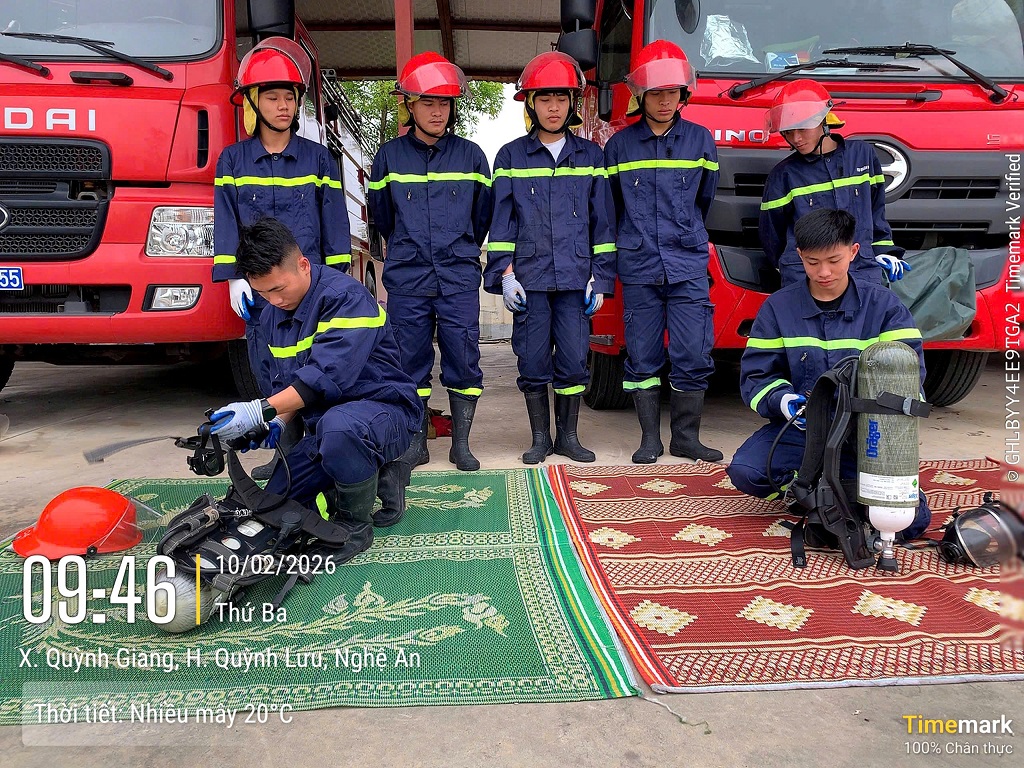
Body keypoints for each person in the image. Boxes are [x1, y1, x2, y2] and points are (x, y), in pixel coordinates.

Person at [727, 209, 931, 538]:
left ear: (853, 251)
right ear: (800, 256)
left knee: (911, 522)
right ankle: (815, 492)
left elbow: (910, 377)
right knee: (747, 472)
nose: (824, 272)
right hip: (803, 429)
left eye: (834, 260)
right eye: (812, 262)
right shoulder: (778, 308)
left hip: (867, 436)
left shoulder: (885, 307)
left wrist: (882, 428)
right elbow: (756, 376)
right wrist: (783, 402)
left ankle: (831, 494)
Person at [208, 218, 421, 530]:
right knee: (274, 506)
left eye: (278, 288)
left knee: (340, 430)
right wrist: (275, 422)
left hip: (384, 411)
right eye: (263, 293)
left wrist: (258, 410)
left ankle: (354, 528)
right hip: (328, 427)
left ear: (303, 265)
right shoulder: (271, 316)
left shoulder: (346, 297)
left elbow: (323, 379)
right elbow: (290, 383)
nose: (274, 300)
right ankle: (363, 474)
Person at [213, 37, 351, 479]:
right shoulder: (233, 160)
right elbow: (226, 219)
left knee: (312, 365)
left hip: (308, 287)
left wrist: (336, 278)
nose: (283, 106)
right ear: (253, 102)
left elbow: (334, 223)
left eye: (290, 97)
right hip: (260, 291)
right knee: (269, 365)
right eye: (272, 97)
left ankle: (316, 449)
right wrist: (233, 276)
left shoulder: (319, 159)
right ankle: (284, 454)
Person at [485, 52, 617, 464]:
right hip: (530, 279)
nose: (554, 107)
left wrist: (600, 277)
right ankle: (540, 438)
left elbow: (602, 223)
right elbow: (501, 221)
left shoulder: (592, 156)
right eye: (544, 99)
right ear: (531, 103)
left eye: (561, 98)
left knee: (575, 360)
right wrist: (505, 273)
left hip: (577, 279)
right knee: (532, 360)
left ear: (573, 103)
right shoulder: (510, 157)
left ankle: (569, 438)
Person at [367, 51, 493, 472]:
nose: (437, 112)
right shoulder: (388, 157)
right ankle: (415, 444)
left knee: (464, 355)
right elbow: (383, 217)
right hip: (408, 276)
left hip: (457, 276)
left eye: (444, 103)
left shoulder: (472, 156)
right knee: (409, 360)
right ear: (409, 105)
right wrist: (408, 247)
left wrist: (459, 249)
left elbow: (482, 217)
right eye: (427, 103)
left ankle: (462, 446)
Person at [604, 40, 723, 465]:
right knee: (642, 356)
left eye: (672, 92)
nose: (665, 100)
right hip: (639, 266)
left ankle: (686, 439)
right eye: (656, 92)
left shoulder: (701, 140)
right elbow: (611, 207)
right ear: (641, 95)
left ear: (683, 93)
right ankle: (650, 440)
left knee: (693, 352)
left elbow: (704, 200)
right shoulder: (619, 146)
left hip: (687, 264)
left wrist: (682, 234)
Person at [759, 79, 910, 287]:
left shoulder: (862, 155)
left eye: (802, 128)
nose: (796, 138)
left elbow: (876, 210)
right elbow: (771, 235)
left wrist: (884, 251)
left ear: (824, 120)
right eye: (788, 132)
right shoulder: (782, 175)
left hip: (862, 270)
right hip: (806, 277)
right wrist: (790, 267)